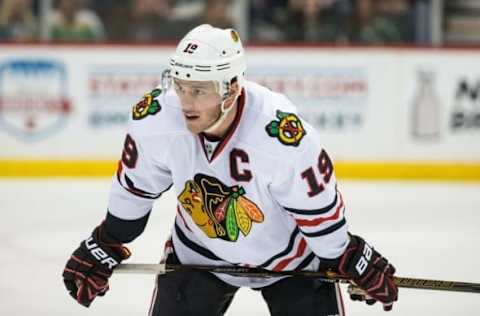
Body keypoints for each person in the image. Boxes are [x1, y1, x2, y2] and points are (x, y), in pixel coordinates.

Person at [62, 24, 398, 315]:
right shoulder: (156, 119)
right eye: (180, 86)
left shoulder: (280, 135)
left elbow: (318, 213)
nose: (186, 102)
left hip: (291, 263)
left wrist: (346, 254)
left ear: (232, 89)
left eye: (198, 90)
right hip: (199, 254)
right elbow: (134, 189)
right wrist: (106, 241)